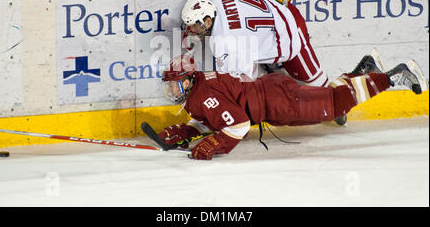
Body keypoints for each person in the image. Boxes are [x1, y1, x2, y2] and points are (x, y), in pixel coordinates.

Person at [156, 53, 427, 160]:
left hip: (278, 102)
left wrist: (215, 145)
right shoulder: (200, 87)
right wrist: (189, 131)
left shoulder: (202, 95)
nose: (172, 90)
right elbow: (214, 116)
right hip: (273, 99)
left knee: (332, 106)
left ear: (189, 80)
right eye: (169, 85)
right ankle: (363, 71)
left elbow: (237, 124)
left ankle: (394, 75)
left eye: (175, 84)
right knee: (327, 101)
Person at [181, 0, 331, 87]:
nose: (192, 30)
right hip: (269, 8)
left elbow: (241, 85)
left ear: (208, 21)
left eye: (195, 26)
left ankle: (335, 98)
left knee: (313, 79)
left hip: (289, 26)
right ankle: (270, 66)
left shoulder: (226, 42)